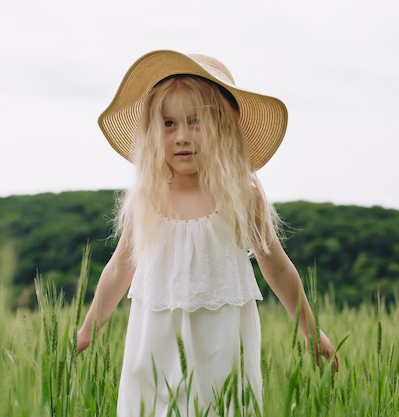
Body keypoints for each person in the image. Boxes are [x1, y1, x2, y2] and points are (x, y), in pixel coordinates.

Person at [77, 50, 339, 416]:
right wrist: (89, 327)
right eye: (169, 124)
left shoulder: (240, 194)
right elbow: (120, 268)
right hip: (155, 344)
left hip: (221, 344)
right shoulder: (147, 198)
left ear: (223, 127)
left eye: (195, 122)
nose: (182, 136)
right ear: (154, 132)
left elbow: (277, 267)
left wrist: (312, 332)